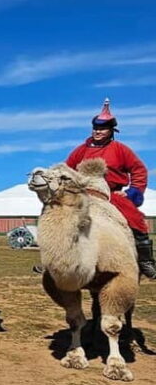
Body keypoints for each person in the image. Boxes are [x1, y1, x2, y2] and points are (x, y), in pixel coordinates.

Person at [64, 99, 155, 279]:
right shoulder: (80, 151)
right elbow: (68, 171)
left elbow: (139, 170)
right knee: (61, 217)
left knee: (135, 218)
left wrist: (131, 192)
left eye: (103, 128)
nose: (98, 131)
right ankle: (54, 261)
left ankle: (145, 260)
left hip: (111, 195)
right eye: (95, 128)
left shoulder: (121, 149)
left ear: (111, 131)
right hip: (84, 194)